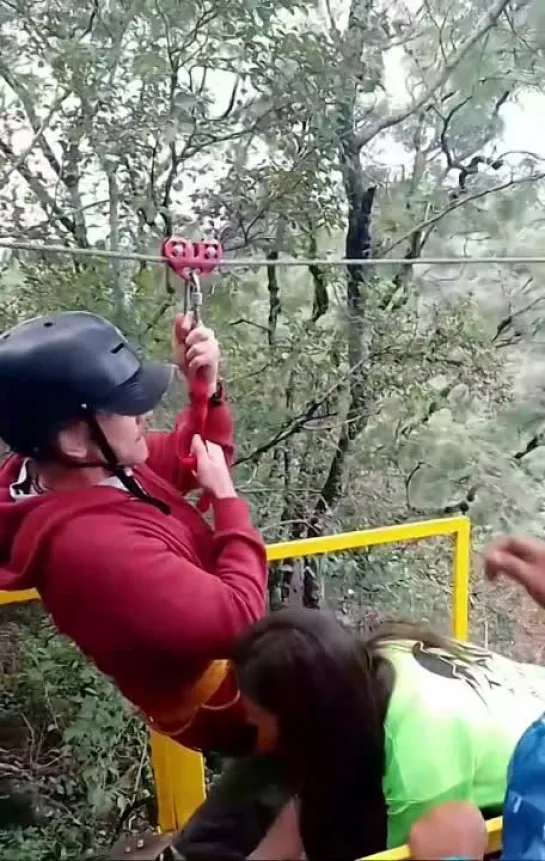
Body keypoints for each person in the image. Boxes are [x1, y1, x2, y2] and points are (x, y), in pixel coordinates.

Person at [0, 309, 268, 756]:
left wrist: (206, 388)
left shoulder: (94, 469)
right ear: (73, 441)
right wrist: (227, 502)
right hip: (225, 703)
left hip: (227, 675)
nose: (144, 414)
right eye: (126, 406)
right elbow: (240, 620)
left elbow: (194, 456)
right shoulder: (93, 550)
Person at [200, 607, 545, 861]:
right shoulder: (369, 664)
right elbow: (308, 791)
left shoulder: (417, 767)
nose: (256, 731)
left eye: (258, 720)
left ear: (305, 722)